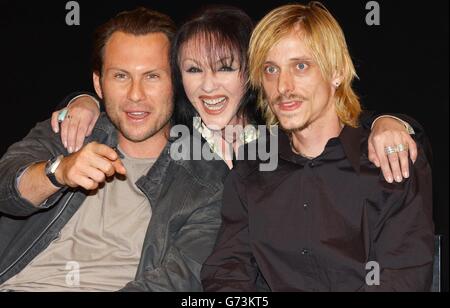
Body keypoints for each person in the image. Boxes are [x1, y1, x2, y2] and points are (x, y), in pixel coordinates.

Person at [200, 2, 434, 292]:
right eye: (271, 69)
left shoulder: (389, 161)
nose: (283, 86)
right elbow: (227, 271)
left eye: (301, 66)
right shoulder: (252, 166)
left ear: (335, 72)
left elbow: (402, 278)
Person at [0, 7, 229, 292]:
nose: (136, 94)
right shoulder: (72, 128)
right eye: (121, 76)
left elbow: (179, 279)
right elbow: (6, 189)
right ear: (99, 83)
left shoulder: (207, 180)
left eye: (152, 76)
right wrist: (59, 170)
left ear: (177, 83)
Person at [53, 6, 421, 182]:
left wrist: (392, 122)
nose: (208, 86)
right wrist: (81, 100)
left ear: (252, 72)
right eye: (194, 70)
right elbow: (126, 110)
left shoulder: (282, 132)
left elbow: (341, 125)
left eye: (226, 68)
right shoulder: (170, 136)